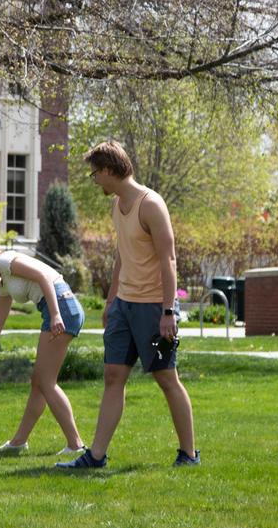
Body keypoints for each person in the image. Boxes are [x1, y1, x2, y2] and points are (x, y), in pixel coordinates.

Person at [57, 140, 199, 469]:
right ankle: (95, 456)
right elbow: (122, 255)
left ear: (108, 171)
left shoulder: (151, 205)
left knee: (166, 378)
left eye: (95, 175)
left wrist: (168, 311)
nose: (95, 181)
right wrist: (111, 301)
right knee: (112, 376)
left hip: (153, 307)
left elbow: (169, 260)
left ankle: (189, 454)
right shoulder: (117, 205)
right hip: (124, 304)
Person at [0, 238, 87, 455]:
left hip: (61, 307)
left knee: (46, 383)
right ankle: (18, 443)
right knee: (39, 382)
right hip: (60, 308)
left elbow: (45, 277)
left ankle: (76, 445)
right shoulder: (5, 280)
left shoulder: (6, 260)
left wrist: (55, 314)